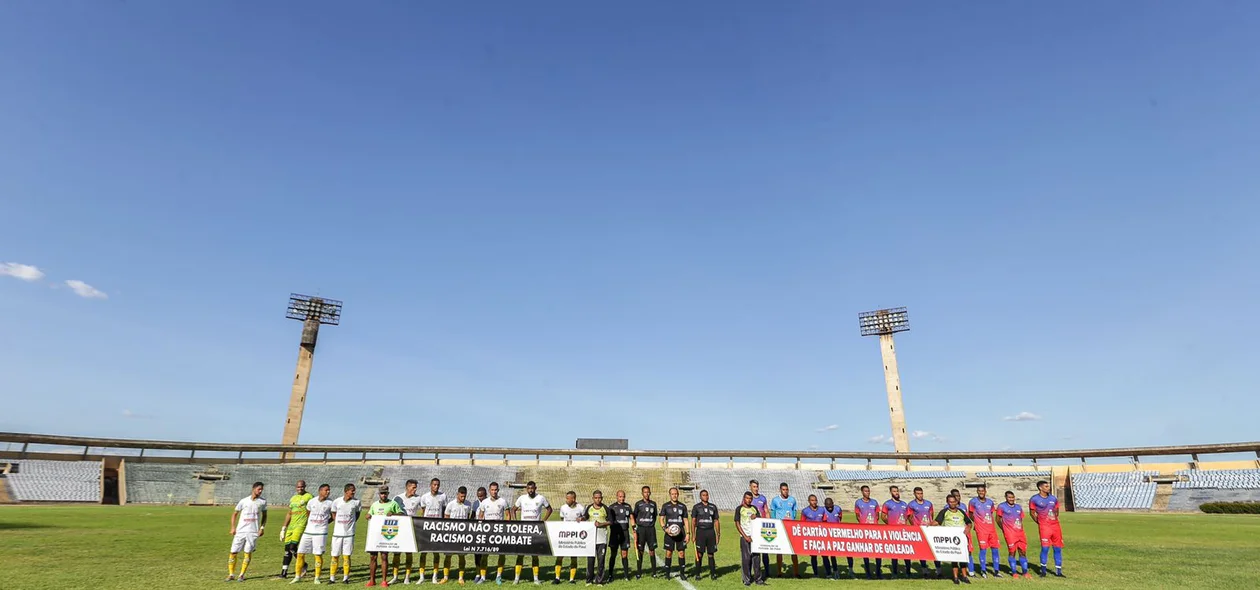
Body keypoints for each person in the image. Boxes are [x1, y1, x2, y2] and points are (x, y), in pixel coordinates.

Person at [291, 484, 334, 584]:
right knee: (300, 553)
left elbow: (333, 516)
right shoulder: (311, 501)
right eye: (326, 490)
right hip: (308, 531)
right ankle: (297, 576)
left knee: (317, 554)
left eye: (329, 490)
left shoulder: (331, 503)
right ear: (320, 491)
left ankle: (317, 578)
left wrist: (325, 523)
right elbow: (308, 513)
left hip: (321, 533)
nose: (328, 492)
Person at [226, 482, 268, 582]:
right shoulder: (243, 501)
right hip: (240, 531)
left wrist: (262, 528)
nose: (260, 491)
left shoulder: (262, 502)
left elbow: (265, 515)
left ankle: (241, 575)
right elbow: (234, 514)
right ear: (253, 488)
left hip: (253, 532)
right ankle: (231, 574)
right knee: (233, 552)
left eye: (262, 489)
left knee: (247, 552)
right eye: (259, 489)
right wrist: (233, 527)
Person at [513, 481, 552, 585]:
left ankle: (535, 579)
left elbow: (549, 509)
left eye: (532, 488)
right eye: (528, 488)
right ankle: (516, 579)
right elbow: (513, 509)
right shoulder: (522, 498)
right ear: (526, 489)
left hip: (535, 530)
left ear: (535, 488)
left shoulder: (541, 498)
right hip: (523, 530)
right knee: (520, 555)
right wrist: (516, 522)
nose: (530, 490)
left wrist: (543, 520)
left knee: (535, 555)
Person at [368, 487, 405, 587]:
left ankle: (384, 580)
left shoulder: (393, 504)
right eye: (382, 493)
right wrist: (368, 516)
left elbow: (402, 514)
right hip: (375, 534)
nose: (383, 495)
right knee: (372, 557)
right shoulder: (375, 505)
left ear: (388, 493)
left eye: (385, 493)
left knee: (384, 556)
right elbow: (369, 514)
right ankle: (372, 580)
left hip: (386, 534)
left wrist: (393, 513)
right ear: (379, 494)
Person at [1028, 480, 1065, 578]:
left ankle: (1058, 572)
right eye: (1046, 486)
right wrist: (1040, 522)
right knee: (1045, 548)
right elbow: (1032, 513)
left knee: (1058, 548)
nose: (1048, 488)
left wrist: (1054, 519)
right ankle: (1043, 571)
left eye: (1048, 486)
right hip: (1044, 527)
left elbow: (1056, 510)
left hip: (1056, 527)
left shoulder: (1053, 498)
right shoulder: (1034, 499)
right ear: (1040, 488)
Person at [477, 482, 511, 585]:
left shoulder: (503, 501)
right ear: (489, 490)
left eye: (496, 490)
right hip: (487, 533)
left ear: (498, 490)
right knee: (484, 555)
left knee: (501, 554)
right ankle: (483, 577)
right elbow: (481, 516)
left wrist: (505, 529)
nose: (494, 492)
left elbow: (508, 515)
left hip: (499, 532)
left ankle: (498, 576)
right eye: (492, 490)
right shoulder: (484, 502)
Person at [934, 495, 972, 585]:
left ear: (956, 502)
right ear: (947, 502)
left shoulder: (961, 512)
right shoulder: (944, 512)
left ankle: (964, 576)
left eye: (954, 502)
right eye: (950, 502)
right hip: (951, 539)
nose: (952, 503)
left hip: (962, 538)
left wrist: (969, 527)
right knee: (954, 558)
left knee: (963, 558)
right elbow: (937, 522)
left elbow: (969, 522)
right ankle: (955, 577)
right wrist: (928, 525)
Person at [392, 479, 425, 584]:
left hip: (411, 530)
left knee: (408, 553)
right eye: (413, 487)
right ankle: (395, 576)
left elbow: (424, 511)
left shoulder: (418, 498)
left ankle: (407, 577)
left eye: (416, 488)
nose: (415, 490)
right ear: (407, 487)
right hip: (400, 530)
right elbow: (392, 511)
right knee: (396, 553)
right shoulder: (397, 498)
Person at [278, 480, 313, 580]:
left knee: (293, 547)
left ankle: (303, 564)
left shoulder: (309, 497)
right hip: (291, 526)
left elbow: (311, 511)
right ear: (295, 487)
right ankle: (284, 572)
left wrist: (310, 524)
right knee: (287, 550)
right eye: (298, 487)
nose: (300, 488)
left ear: (305, 486)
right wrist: (283, 528)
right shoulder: (293, 498)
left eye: (301, 487)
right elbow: (289, 513)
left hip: (301, 525)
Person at [330, 483, 362, 584]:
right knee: (335, 555)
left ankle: (345, 578)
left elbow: (357, 515)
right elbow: (334, 514)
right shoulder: (336, 501)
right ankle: (332, 578)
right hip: (337, 534)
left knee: (346, 556)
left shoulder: (357, 502)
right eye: (352, 490)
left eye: (354, 490)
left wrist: (350, 524)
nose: (354, 492)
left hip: (349, 534)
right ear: (346, 491)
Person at [420, 479, 450, 584]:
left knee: (436, 553)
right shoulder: (424, 497)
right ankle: (422, 576)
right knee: (423, 552)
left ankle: (435, 575)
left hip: (438, 529)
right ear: (430, 485)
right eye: (434, 485)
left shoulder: (443, 496)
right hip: (427, 528)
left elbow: (445, 510)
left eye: (438, 485)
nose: (436, 487)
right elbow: (423, 512)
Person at [967, 485, 1001, 578]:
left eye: (982, 491)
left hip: (992, 530)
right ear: (977, 492)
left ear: (985, 491)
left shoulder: (990, 502)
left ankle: (996, 571)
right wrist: (978, 522)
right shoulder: (973, 502)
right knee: (983, 550)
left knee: (995, 550)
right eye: (979, 491)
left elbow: (990, 513)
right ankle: (983, 571)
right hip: (981, 530)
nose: (981, 492)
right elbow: (970, 514)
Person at [443, 486, 475, 584]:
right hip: (452, 534)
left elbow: (469, 517)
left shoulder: (468, 504)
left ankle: (461, 577)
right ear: (457, 494)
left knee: (462, 556)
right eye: (461, 496)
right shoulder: (450, 504)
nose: (463, 498)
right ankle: (445, 577)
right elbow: (446, 517)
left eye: (464, 496)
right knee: (448, 556)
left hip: (463, 535)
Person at [995, 491, 1030, 579]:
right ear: (1006, 498)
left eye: (1012, 497)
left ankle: (1025, 572)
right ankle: (1014, 572)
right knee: (1012, 552)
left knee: (1022, 552)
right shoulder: (1002, 506)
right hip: (1010, 534)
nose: (1011, 499)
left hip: (1020, 533)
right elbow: (998, 519)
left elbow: (1020, 519)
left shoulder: (1018, 507)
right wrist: (1004, 529)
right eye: (1009, 497)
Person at [880, 486, 912, 579]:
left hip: (904, 532)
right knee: (894, 553)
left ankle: (908, 572)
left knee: (906, 552)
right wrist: (891, 524)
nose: (896, 493)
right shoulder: (887, 504)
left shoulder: (904, 504)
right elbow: (883, 516)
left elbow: (909, 516)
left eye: (897, 491)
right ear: (891, 493)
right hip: (893, 532)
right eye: (894, 491)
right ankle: (894, 572)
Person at [905, 487, 937, 578]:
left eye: (921, 493)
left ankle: (938, 571)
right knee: (922, 551)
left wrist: (930, 525)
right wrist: (915, 527)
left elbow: (931, 515)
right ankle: (925, 571)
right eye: (918, 493)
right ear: (914, 494)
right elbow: (910, 517)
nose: (920, 495)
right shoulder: (911, 505)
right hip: (919, 531)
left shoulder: (928, 503)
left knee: (933, 549)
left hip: (928, 530)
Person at [553, 491, 584, 584]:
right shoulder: (563, 508)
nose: (566, 500)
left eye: (568, 498)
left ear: (573, 499)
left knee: (573, 557)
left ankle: (572, 579)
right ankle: (557, 578)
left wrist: (582, 519)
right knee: (559, 556)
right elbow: (562, 520)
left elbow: (585, 519)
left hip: (575, 537)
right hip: (565, 536)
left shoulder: (581, 508)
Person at [768, 483, 799, 578]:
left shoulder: (792, 500)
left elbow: (794, 512)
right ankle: (779, 572)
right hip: (780, 528)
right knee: (779, 550)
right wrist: (775, 524)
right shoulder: (775, 500)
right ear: (780, 490)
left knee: (793, 551)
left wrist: (792, 522)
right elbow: (773, 513)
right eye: (783, 489)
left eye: (786, 489)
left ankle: (796, 573)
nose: (785, 491)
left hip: (790, 528)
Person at [659, 487, 689, 580]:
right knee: (669, 553)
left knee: (681, 553)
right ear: (670, 495)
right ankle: (667, 574)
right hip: (669, 534)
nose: (674, 495)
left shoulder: (682, 506)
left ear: (678, 494)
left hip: (681, 533)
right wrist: (665, 529)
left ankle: (682, 574)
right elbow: (661, 519)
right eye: (672, 494)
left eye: (676, 494)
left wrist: (688, 533)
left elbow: (686, 520)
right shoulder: (665, 506)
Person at [734, 491, 764, 587]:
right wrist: (745, 536)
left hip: (755, 538)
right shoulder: (739, 509)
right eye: (747, 498)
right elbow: (737, 523)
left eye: (750, 498)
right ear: (744, 498)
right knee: (746, 559)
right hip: (745, 537)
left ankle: (758, 579)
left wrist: (757, 516)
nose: (749, 500)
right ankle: (746, 579)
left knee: (756, 558)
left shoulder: (754, 508)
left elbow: (760, 520)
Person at [690, 489, 720, 581]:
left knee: (711, 554)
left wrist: (718, 533)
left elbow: (716, 521)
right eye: (703, 495)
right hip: (700, 532)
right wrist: (693, 534)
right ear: (700, 497)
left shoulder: (713, 507)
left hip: (710, 532)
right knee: (699, 554)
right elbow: (693, 521)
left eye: (706, 495)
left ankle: (713, 574)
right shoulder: (696, 507)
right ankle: (698, 574)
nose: (705, 496)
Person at [853, 485, 880, 579]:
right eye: (865, 491)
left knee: (877, 551)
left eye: (868, 491)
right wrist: (862, 524)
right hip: (864, 531)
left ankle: (878, 573)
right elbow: (857, 515)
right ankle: (868, 572)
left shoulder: (874, 502)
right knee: (866, 551)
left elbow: (877, 515)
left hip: (874, 530)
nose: (867, 493)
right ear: (862, 492)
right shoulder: (858, 502)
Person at [584, 490, 611, 585]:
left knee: (601, 560)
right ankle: (589, 580)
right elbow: (585, 517)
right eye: (596, 498)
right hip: (590, 539)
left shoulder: (605, 508)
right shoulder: (589, 508)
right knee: (590, 560)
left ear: (602, 498)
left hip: (602, 538)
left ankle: (599, 580)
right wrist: (581, 519)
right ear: (593, 498)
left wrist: (601, 524)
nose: (598, 499)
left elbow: (610, 521)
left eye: (599, 497)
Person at [607, 490, 634, 581]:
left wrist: (634, 528)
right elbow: (608, 520)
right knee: (613, 554)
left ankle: (626, 575)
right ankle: (610, 575)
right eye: (620, 496)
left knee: (624, 554)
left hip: (625, 533)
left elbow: (631, 518)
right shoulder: (611, 507)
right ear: (617, 496)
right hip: (615, 534)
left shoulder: (628, 506)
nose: (622, 498)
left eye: (623, 496)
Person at [632, 486, 659, 579]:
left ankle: (654, 572)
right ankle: (639, 572)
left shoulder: (653, 504)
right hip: (641, 530)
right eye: (645, 492)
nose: (646, 494)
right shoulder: (638, 504)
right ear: (642, 493)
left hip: (651, 530)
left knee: (652, 551)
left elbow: (655, 516)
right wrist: (635, 528)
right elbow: (634, 517)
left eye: (648, 492)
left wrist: (650, 524)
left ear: (650, 493)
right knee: (640, 551)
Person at [799, 495, 828, 579]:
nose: (814, 502)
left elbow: (825, 522)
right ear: (809, 501)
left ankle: (828, 573)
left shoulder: (822, 510)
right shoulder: (805, 511)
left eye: (815, 500)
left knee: (825, 555)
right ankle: (816, 573)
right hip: (811, 537)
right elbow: (802, 524)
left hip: (821, 536)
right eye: (812, 500)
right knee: (813, 556)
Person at [747, 480, 769, 582]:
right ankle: (751, 572)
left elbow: (766, 511)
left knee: (765, 550)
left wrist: (769, 523)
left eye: (757, 486)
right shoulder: (748, 499)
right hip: (752, 528)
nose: (756, 488)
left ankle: (767, 571)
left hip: (762, 528)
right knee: (752, 552)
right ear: (750, 487)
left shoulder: (762, 498)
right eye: (754, 486)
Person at [819, 498, 842, 579]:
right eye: (827, 505)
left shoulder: (838, 509)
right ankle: (828, 572)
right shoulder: (822, 510)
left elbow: (839, 519)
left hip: (834, 535)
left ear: (833, 503)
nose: (829, 507)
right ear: (824, 504)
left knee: (833, 554)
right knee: (824, 555)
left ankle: (835, 570)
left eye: (830, 505)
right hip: (825, 535)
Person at [471, 487, 488, 584]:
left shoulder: (488, 502)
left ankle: (484, 574)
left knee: (485, 554)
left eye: (481, 496)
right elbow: (472, 516)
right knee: (477, 554)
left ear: (485, 494)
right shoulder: (476, 503)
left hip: (487, 531)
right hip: (477, 531)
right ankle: (478, 574)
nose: (480, 498)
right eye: (478, 496)